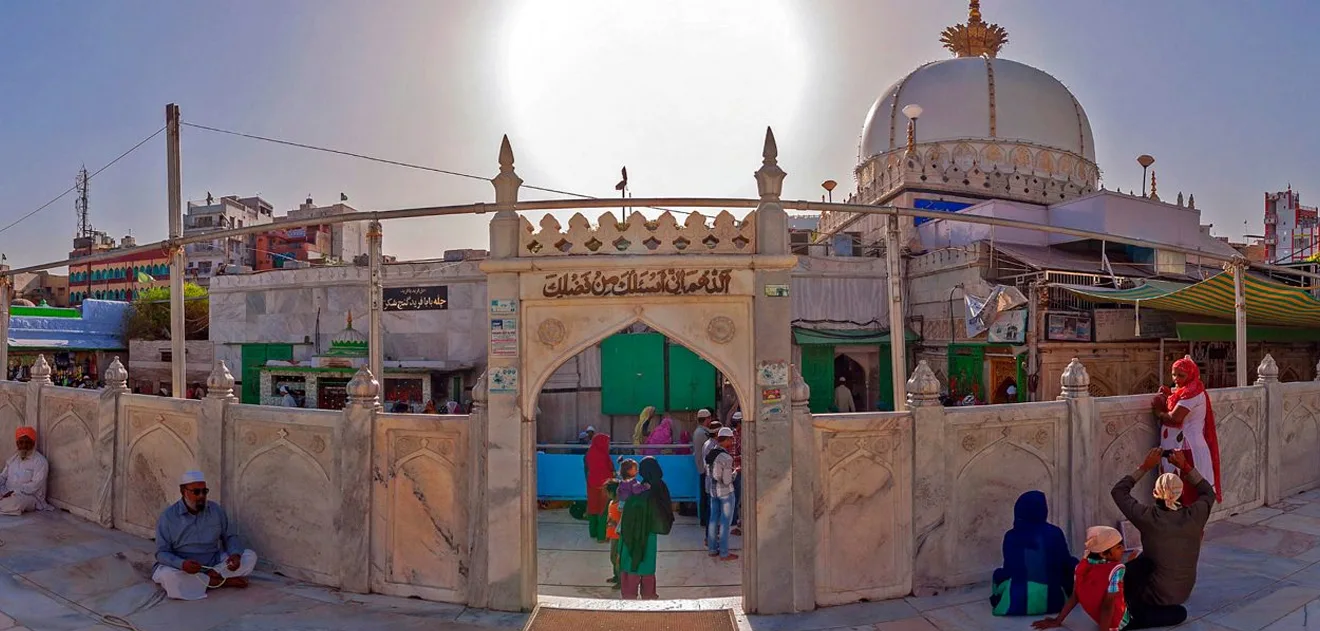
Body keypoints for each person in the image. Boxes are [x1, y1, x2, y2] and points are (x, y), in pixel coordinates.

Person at [1110, 447, 1213, 627]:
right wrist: (1186, 466)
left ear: (1155, 493)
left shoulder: (1149, 518)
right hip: (1182, 594)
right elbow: (1208, 493)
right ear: (1181, 494)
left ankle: (1128, 615)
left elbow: (1119, 491)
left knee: (1135, 565)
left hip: (1154, 596)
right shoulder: (1196, 514)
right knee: (1178, 612)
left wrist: (1145, 467)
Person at [153, 470, 258, 600]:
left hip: (213, 564)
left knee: (249, 556)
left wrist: (235, 555)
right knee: (170, 578)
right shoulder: (168, 517)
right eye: (196, 492)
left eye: (204, 491)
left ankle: (207, 578)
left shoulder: (216, 510)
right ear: (183, 491)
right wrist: (182, 564)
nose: (201, 496)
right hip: (183, 567)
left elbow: (229, 536)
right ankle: (218, 582)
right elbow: (161, 553)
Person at [990, 491, 1076, 616]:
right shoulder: (1055, 532)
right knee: (1073, 564)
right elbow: (1065, 564)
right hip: (1056, 601)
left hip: (1016, 602)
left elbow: (1010, 569)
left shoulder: (1011, 536)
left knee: (998, 575)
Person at [1151, 356, 1222, 505]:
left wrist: (1158, 413)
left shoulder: (1192, 392)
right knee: (1175, 492)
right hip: (1179, 448)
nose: (1176, 379)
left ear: (1190, 375)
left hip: (1188, 449)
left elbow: (1175, 418)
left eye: (1181, 375)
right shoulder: (1183, 391)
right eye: (1173, 374)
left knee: (1187, 493)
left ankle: (1190, 526)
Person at [1032, 526, 1130, 631]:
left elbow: (1074, 596)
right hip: (1121, 622)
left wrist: (1058, 620)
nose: (1123, 550)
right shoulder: (1116, 570)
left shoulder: (1081, 567)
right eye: (1119, 547)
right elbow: (1108, 605)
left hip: (1103, 620)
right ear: (1103, 554)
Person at [619, 457, 674, 599]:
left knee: (631, 560)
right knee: (648, 561)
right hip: (650, 531)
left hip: (632, 531)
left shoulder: (639, 488)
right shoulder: (660, 486)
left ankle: (629, 594)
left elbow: (628, 509)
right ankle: (648, 594)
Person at [0, 426, 50, 516]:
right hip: (6, 492)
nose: (24, 446)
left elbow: (35, 485)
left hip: (29, 496)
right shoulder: (13, 459)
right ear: (17, 443)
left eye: (27, 442)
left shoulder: (40, 461)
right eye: (21, 442)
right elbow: (3, 477)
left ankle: (4, 505)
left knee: (15, 502)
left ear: (33, 443)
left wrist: (14, 492)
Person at [706, 427, 739, 561]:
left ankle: (713, 549)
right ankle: (724, 553)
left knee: (713, 520)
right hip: (726, 493)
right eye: (731, 439)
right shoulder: (726, 457)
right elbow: (726, 480)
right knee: (725, 522)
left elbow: (709, 473)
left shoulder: (711, 453)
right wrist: (735, 472)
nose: (732, 442)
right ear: (726, 439)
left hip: (713, 492)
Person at [583, 433, 615, 543]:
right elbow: (610, 469)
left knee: (593, 508)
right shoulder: (604, 455)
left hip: (591, 485)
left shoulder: (588, 454)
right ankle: (602, 536)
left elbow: (586, 470)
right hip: (604, 486)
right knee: (603, 510)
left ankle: (593, 533)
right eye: (607, 443)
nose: (608, 445)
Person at [692, 409, 713, 529]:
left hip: (702, 467)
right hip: (705, 468)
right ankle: (705, 519)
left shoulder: (700, 432)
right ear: (706, 419)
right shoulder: (702, 433)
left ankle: (705, 519)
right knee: (706, 495)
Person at [605, 480, 622, 586]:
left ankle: (620, 580)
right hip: (612, 535)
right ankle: (616, 576)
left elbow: (620, 522)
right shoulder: (611, 503)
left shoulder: (620, 506)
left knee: (617, 558)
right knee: (613, 557)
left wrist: (614, 524)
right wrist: (607, 534)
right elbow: (609, 518)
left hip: (618, 535)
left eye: (608, 492)